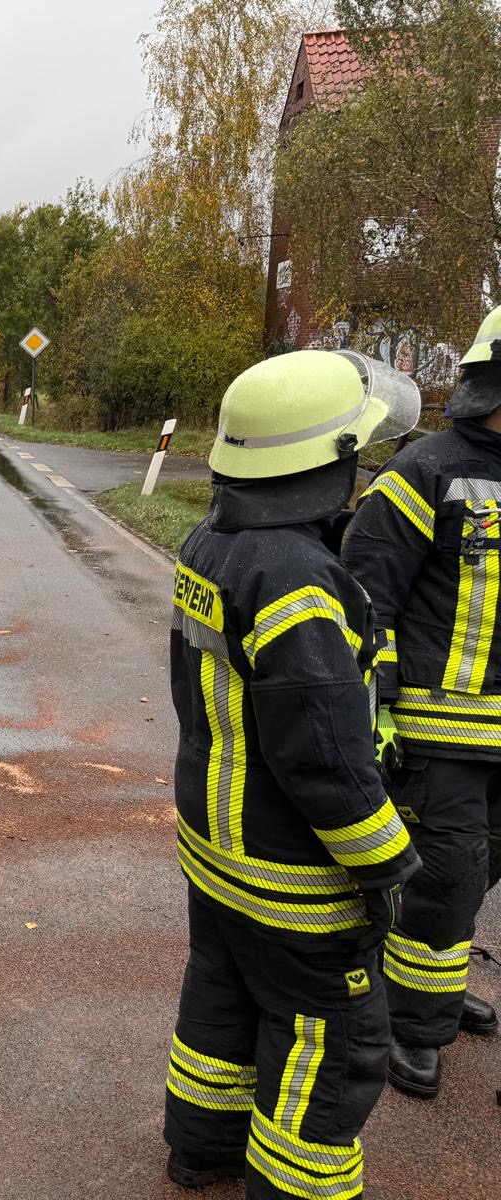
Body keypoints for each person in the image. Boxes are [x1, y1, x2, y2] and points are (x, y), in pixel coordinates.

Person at [164, 349, 422, 1196]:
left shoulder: (212, 542)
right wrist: (385, 859)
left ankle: (201, 1148)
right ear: (326, 462)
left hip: (219, 851)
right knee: (332, 1041)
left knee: (224, 997)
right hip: (295, 877)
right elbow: (323, 751)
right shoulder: (299, 580)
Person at [341, 306, 501, 1099]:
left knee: (478, 873)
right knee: (447, 873)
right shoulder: (425, 472)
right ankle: (417, 1023)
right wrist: (384, 711)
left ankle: (427, 981)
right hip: (442, 734)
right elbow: (368, 599)